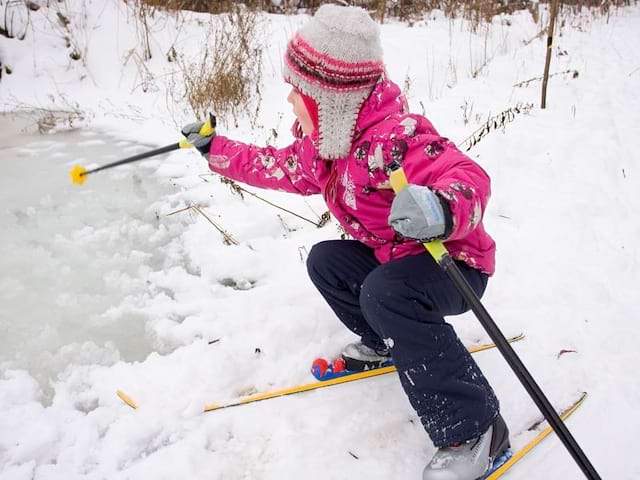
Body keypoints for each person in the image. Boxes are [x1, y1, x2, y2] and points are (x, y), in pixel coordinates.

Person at [182, 5, 509, 479]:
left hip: (453, 264)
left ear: (331, 98)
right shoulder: (330, 145)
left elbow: (468, 176)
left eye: (301, 90)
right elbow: (277, 167)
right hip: (397, 258)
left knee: (387, 292)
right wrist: (217, 150)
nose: (290, 98)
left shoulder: (394, 139)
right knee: (326, 260)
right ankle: (384, 339)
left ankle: (476, 429)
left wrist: (441, 208)